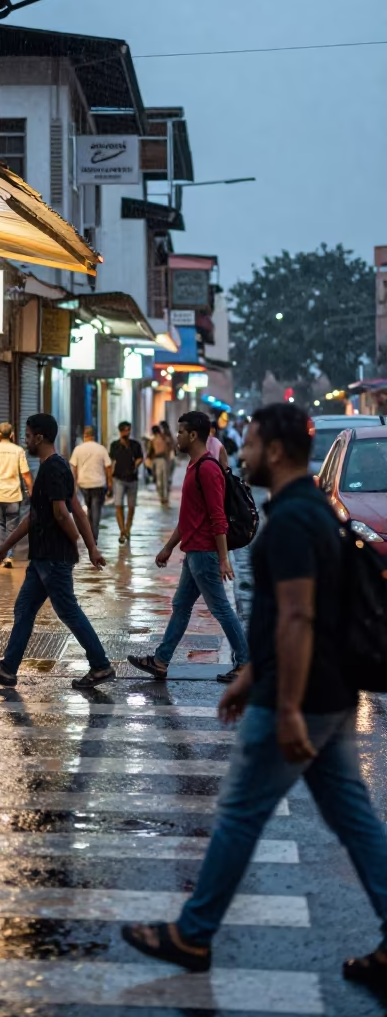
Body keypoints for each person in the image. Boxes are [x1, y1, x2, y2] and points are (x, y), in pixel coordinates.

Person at [122, 402, 387, 993]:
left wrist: (282, 701)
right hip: (328, 691)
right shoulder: (311, 510)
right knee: (354, 818)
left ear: (273, 451)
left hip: (301, 698)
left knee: (239, 813)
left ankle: (193, 932)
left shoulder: (293, 519)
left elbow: (296, 617)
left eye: (251, 444)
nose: (240, 452)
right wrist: (251, 673)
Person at [0, 413, 115, 691]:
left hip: (53, 557)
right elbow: (61, 512)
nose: (24, 440)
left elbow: (63, 513)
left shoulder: (52, 469)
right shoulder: (56, 466)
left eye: (27, 435)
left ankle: (100, 665)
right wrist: (4, 545)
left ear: (39, 437)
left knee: (68, 611)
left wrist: (78, 542)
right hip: (43, 559)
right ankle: (7, 669)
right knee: (24, 609)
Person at [127, 409, 249, 684]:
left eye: (181, 432)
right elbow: (188, 517)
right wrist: (169, 547)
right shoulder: (194, 467)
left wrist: (223, 558)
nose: (177, 437)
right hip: (194, 552)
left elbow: (218, 517)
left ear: (194, 435)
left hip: (205, 553)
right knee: (181, 604)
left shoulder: (207, 469)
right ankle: (160, 661)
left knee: (220, 609)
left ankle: (244, 664)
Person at [0, 422, 33, 569]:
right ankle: (9, 555)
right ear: (12, 435)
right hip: (13, 495)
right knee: (12, 527)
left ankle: (1, 554)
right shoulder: (18, 451)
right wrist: (31, 490)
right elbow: (26, 474)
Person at [69, 427, 113, 540]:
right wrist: (110, 483)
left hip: (83, 483)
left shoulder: (78, 449)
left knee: (89, 507)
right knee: (96, 508)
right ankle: (94, 534)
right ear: (94, 435)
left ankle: (90, 531)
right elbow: (108, 467)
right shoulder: (101, 449)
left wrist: (74, 484)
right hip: (98, 483)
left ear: (85, 435)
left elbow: (74, 468)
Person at [109, 420, 143, 544]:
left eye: (128, 429)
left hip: (132, 479)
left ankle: (128, 528)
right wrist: (109, 480)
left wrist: (136, 465)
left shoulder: (135, 445)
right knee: (118, 505)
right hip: (118, 478)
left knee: (131, 507)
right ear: (120, 431)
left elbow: (140, 457)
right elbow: (112, 461)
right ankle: (122, 531)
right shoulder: (115, 445)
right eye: (124, 430)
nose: (126, 432)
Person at [146, 423, 171, 505]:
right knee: (164, 479)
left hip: (158, 460)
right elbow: (171, 447)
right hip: (164, 460)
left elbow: (149, 452)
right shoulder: (164, 438)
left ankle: (162, 497)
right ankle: (165, 497)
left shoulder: (154, 440)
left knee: (159, 479)